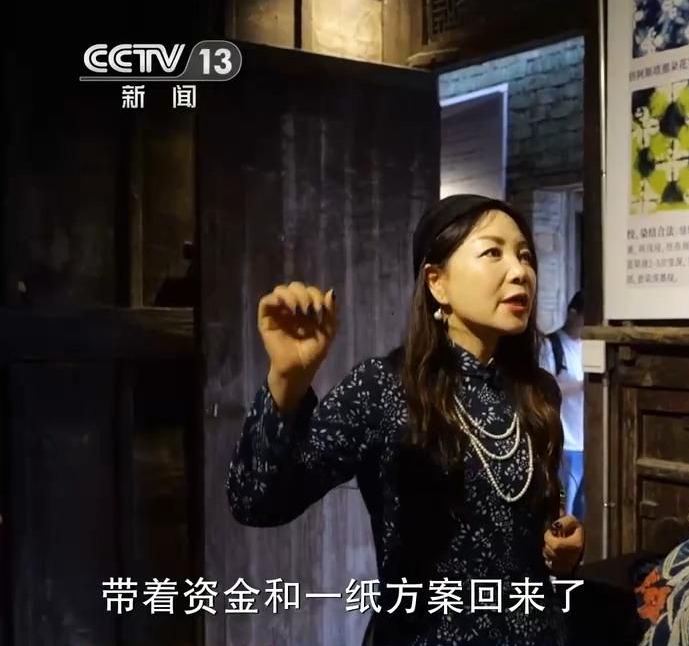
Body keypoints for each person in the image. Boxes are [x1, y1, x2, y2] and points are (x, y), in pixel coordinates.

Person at [226, 194, 586, 646]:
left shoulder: (537, 392)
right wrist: (287, 379)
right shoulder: (384, 388)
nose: (520, 271)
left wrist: (562, 546)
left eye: (525, 255)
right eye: (493, 252)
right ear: (437, 283)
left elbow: (539, 522)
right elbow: (255, 501)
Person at [539, 292, 586, 520]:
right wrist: (583, 386)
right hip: (566, 442)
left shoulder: (590, 345)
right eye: (586, 318)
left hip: (589, 441)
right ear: (573, 313)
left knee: (584, 511)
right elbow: (546, 389)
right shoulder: (551, 345)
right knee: (563, 508)